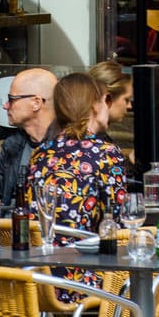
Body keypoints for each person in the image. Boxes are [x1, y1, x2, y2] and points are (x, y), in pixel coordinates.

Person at [25, 72, 132, 293]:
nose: (108, 106)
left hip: (38, 278)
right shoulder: (106, 153)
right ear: (94, 105)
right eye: (107, 99)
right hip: (85, 277)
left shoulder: (40, 153)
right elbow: (117, 225)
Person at [0, 68, 59, 206]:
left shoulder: (66, 149)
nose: (5, 105)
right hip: (8, 226)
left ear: (36, 103)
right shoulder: (14, 145)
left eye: (12, 99)